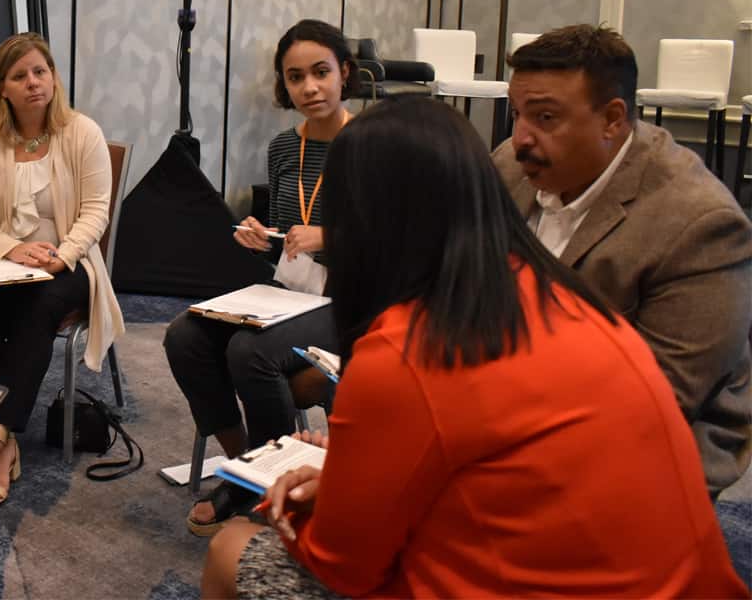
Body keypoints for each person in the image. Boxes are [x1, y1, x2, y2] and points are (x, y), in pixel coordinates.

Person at [202, 97, 749, 598]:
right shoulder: (565, 296)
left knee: (230, 549)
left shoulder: (403, 349)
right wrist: (352, 481)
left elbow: (344, 565)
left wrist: (289, 509)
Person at [493, 24, 752, 498]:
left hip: (649, 441)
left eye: (545, 117)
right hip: (511, 403)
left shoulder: (701, 223)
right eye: (516, 115)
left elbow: (659, 398)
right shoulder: (511, 166)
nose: (521, 139)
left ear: (612, 119)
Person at [163, 19, 353, 536]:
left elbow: (393, 244)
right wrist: (261, 237)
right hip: (288, 294)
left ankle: (264, 480)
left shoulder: (373, 144)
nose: (309, 87)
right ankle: (250, 465)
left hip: (350, 302)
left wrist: (328, 237)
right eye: (295, 78)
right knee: (184, 335)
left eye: (321, 72)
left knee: (250, 351)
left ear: (345, 74)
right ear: (283, 85)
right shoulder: (282, 148)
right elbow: (286, 242)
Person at [0, 32, 124, 506]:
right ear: (2, 86)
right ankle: (2, 442)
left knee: (38, 304)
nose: (32, 83)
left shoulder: (82, 133)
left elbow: (95, 212)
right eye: (19, 75)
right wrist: (8, 248)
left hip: (69, 261)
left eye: (40, 72)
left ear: (54, 78)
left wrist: (61, 255)